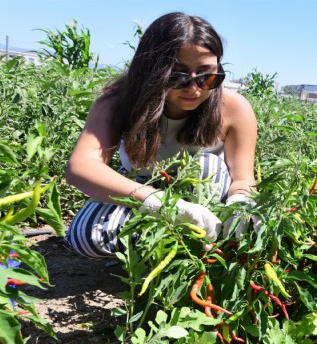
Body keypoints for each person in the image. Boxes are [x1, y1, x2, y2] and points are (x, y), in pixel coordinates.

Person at [64, 12, 258, 258]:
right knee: (88, 237)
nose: (194, 89)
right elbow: (81, 166)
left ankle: (192, 247)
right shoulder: (117, 104)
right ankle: (164, 251)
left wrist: (240, 202)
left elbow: (243, 178)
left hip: (208, 195)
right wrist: (158, 202)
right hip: (143, 187)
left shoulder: (233, 108)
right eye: (177, 76)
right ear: (151, 71)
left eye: (207, 76)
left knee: (207, 165)